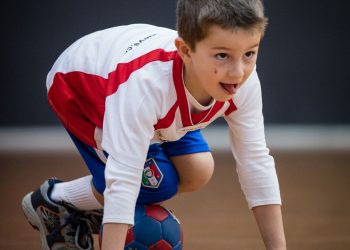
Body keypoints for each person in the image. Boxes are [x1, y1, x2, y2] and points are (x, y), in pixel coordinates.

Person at [22, 0, 287, 249]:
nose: (238, 72)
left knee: (199, 171)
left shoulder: (242, 84)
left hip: (146, 93)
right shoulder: (144, 86)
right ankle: (55, 200)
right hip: (84, 87)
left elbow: (256, 162)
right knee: (153, 182)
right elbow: (124, 177)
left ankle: (90, 205)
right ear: (186, 51)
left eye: (249, 53)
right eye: (222, 56)